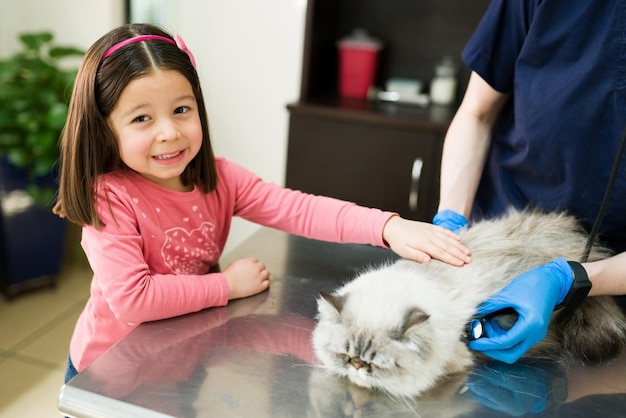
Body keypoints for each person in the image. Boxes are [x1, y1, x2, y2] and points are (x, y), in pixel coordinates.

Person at [54, 23, 471, 384]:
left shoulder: (219, 178)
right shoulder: (109, 197)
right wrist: (227, 286)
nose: (169, 132)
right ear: (104, 130)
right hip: (111, 371)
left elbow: (300, 209)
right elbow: (133, 299)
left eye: (182, 109)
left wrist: (387, 227)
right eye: (142, 118)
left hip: (181, 361)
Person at [433, 0, 626, 364]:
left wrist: (569, 280)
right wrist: (449, 223)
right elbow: (477, 112)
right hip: (499, 249)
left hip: (613, 285)